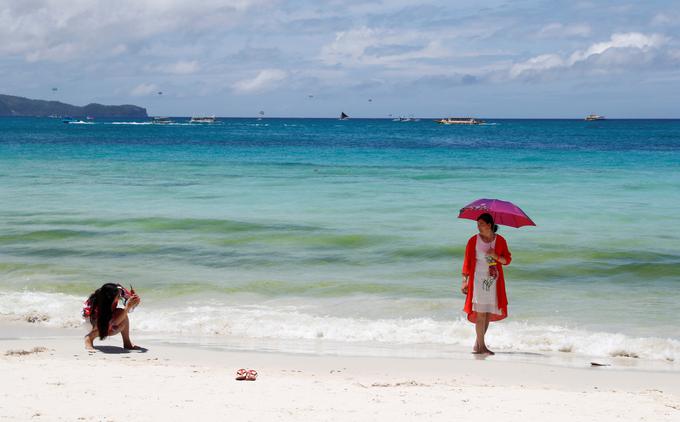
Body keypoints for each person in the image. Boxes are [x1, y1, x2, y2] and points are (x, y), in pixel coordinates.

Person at [460, 213, 512, 355]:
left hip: (494, 281)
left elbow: (507, 260)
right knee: (481, 314)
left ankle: (478, 344)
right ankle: (482, 347)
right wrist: (465, 280)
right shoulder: (473, 240)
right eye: (477, 225)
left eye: (481, 224)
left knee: (487, 314)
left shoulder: (500, 240)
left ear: (489, 225)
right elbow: (466, 262)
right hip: (478, 280)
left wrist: (495, 256)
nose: (478, 227)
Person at [83, 283, 141, 351]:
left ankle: (127, 343)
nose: (119, 297)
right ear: (109, 298)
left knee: (122, 313)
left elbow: (130, 306)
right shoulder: (99, 303)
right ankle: (89, 338)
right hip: (91, 322)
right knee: (121, 314)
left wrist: (135, 302)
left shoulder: (118, 290)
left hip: (107, 316)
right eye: (118, 296)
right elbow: (109, 323)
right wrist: (127, 308)